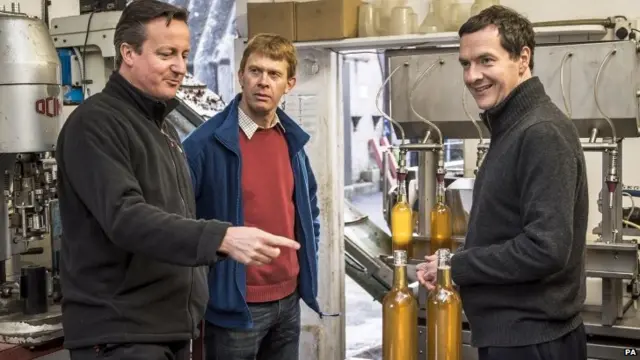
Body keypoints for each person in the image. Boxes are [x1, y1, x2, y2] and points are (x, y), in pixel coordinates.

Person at [56, 2, 299, 359]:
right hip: (123, 336)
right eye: (166, 54)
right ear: (128, 52)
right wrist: (222, 237)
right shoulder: (95, 124)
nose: (180, 67)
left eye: (184, 55)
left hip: (167, 329)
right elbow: (126, 217)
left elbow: (177, 218)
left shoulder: (162, 129)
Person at [416, 6, 588, 360]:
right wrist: (454, 259)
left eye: (486, 61)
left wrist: (457, 266)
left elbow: (546, 248)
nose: (472, 75)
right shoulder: (512, 127)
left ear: (522, 58)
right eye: (466, 63)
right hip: (514, 336)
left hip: (531, 341)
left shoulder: (540, 131)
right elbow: (506, 231)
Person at [182, 33, 322, 360]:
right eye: (255, 71)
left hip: (288, 300)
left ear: (289, 84)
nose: (263, 82)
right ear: (240, 75)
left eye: (274, 74)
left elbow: (308, 208)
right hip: (234, 306)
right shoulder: (202, 146)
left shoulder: (292, 143)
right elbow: (180, 225)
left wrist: (303, 262)